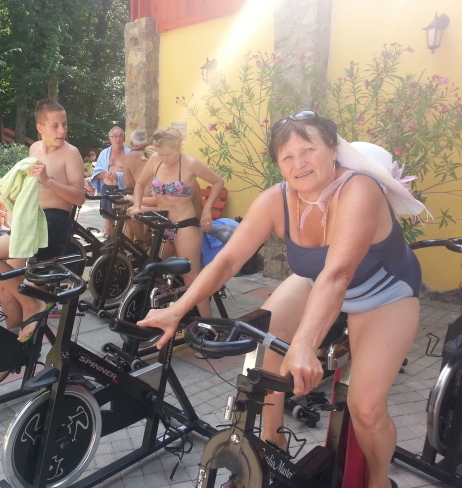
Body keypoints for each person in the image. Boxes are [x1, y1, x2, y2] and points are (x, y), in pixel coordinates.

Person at [136, 112, 427, 488]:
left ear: (333, 150)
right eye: (287, 156)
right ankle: (274, 441)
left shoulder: (358, 189)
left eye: (308, 150)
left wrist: (304, 345)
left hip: (383, 292)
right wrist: (177, 309)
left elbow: (339, 274)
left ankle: (378, 481)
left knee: (366, 408)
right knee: (267, 336)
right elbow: (228, 260)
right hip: (317, 280)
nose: (298, 163)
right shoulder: (277, 199)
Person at [0, 99, 85, 341]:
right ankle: (14, 345)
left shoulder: (71, 153)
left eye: (64, 124)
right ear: (40, 128)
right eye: (55, 126)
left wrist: (48, 180)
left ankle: (32, 305)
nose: (62, 131)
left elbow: (79, 198)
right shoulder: (34, 149)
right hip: (31, 220)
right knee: (5, 288)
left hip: (54, 222)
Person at [128, 127, 224, 317]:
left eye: (169, 154)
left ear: (179, 147)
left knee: (191, 278)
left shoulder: (190, 163)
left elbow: (218, 182)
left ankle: (208, 323)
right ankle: (175, 311)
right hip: (164, 225)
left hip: (185, 225)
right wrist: (137, 206)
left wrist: (207, 209)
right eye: (161, 154)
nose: (165, 158)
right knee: (156, 269)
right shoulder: (155, 159)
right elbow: (139, 183)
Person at [91, 126, 130, 237]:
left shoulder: (129, 153)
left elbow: (133, 175)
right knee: (108, 220)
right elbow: (97, 173)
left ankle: (121, 244)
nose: (118, 139)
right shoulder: (104, 153)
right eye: (115, 136)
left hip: (122, 190)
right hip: (108, 189)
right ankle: (109, 243)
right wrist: (105, 174)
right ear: (110, 139)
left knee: (124, 220)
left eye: (121, 136)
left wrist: (119, 176)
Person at [122, 130, 149, 242]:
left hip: (141, 199)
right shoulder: (154, 153)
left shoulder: (128, 157)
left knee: (128, 215)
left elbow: (129, 184)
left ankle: (140, 243)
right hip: (156, 197)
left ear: (132, 143)